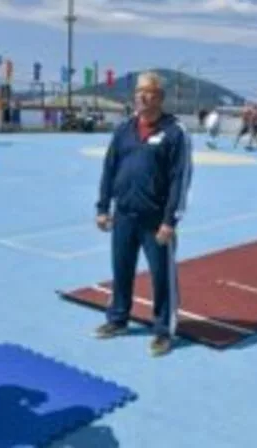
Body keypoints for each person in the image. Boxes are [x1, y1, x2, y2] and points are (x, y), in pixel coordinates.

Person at [93, 71, 193, 357]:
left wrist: (170, 221)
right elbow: (109, 169)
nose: (142, 96)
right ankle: (118, 319)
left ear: (160, 97)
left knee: (162, 277)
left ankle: (163, 331)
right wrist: (103, 207)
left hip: (156, 220)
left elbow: (180, 179)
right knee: (121, 270)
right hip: (124, 215)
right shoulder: (123, 130)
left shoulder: (175, 132)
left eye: (148, 91)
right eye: (138, 91)